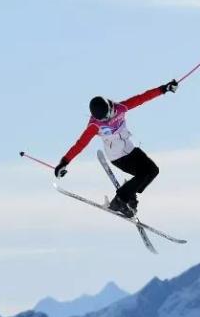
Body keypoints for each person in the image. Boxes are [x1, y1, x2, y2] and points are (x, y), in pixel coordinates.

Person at [54, 79, 179, 217]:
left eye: (108, 115)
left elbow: (142, 98)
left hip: (131, 150)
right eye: (102, 119)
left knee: (153, 171)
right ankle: (119, 201)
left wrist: (163, 89)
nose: (106, 120)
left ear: (110, 107)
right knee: (143, 174)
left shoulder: (120, 108)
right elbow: (80, 144)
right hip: (118, 157)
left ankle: (129, 194)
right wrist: (64, 162)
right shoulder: (94, 126)